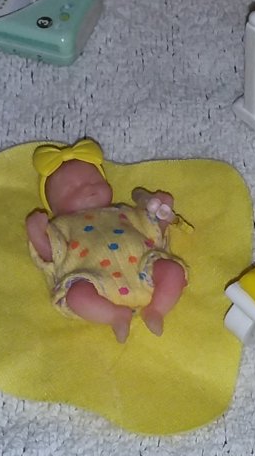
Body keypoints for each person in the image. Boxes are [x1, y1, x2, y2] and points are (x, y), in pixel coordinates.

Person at [26, 139, 188, 342]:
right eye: (72, 189)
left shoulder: (124, 212)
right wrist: (36, 232)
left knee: (173, 270)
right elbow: (51, 254)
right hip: (94, 280)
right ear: (54, 207)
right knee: (76, 295)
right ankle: (115, 316)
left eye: (94, 181)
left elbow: (154, 230)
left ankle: (156, 310)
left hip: (144, 268)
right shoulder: (62, 225)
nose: (87, 189)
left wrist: (162, 210)